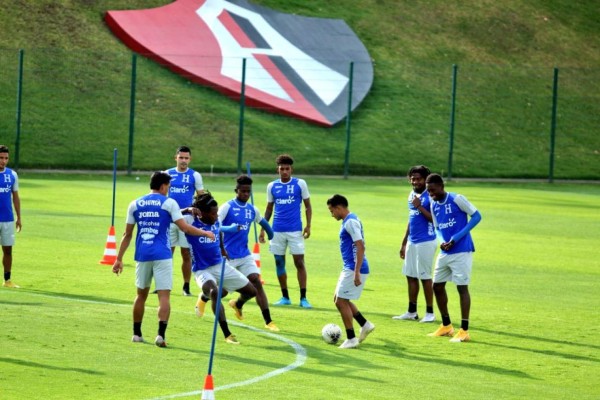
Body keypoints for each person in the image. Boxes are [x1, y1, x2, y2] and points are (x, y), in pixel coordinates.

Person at [112, 171, 215, 348]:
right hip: (162, 255)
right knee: (164, 296)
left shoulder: (135, 204)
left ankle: (136, 334)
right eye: (168, 186)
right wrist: (205, 232)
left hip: (142, 255)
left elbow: (127, 234)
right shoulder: (169, 203)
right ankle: (160, 335)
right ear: (162, 186)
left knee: (140, 296)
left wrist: (118, 259)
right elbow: (185, 228)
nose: (169, 189)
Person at [186, 192, 257, 344]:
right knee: (215, 292)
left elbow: (219, 234)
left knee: (251, 291)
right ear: (203, 213)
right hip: (201, 269)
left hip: (219, 265)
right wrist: (187, 209)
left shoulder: (215, 222)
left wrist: (223, 250)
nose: (216, 216)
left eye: (217, 212)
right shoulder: (191, 221)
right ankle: (227, 334)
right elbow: (171, 215)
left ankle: (231, 303)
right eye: (213, 213)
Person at [210, 175, 279, 331]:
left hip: (245, 254)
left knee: (256, 282)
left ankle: (268, 321)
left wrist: (270, 234)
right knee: (223, 292)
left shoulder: (252, 210)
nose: (246, 194)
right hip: (227, 255)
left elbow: (263, 222)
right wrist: (229, 229)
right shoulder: (227, 206)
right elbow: (215, 226)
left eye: (248, 192)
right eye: (243, 191)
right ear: (237, 190)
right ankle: (203, 298)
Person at [425, 173, 482, 343]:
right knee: (437, 286)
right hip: (445, 252)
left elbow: (477, 216)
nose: (431, 194)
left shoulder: (457, 199)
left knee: (462, 288)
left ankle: (464, 330)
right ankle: (446, 326)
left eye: (433, 190)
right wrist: (443, 241)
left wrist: (456, 238)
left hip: (462, 251)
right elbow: (436, 227)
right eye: (429, 192)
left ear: (442, 186)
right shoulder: (434, 205)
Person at [259, 154, 312, 308]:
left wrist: (308, 225)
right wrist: (263, 229)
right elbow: (269, 209)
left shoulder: (300, 184)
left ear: (291, 169)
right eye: (282, 169)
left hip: (295, 231)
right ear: (278, 169)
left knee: (299, 262)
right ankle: (285, 297)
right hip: (277, 231)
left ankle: (303, 298)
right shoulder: (272, 186)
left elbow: (308, 206)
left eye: (287, 169)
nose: (284, 172)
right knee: (279, 263)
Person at [326, 194, 375, 349]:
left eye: (331, 210)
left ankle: (351, 338)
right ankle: (365, 324)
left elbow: (360, 246)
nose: (331, 214)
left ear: (338, 207)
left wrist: (356, 272)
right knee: (340, 299)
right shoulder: (350, 220)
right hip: (350, 266)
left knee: (340, 301)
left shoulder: (351, 222)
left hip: (353, 267)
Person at [393, 165, 437, 323]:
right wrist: (404, 242)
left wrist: (419, 206)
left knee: (425, 277)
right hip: (412, 241)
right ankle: (412, 311)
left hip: (426, 241)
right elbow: (411, 219)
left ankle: (430, 313)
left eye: (418, 179)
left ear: (426, 180)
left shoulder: (430, 196)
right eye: (412, 178)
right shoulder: (411, 194)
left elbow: (435, 220)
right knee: (410, 276)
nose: (415, 181)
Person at [166, 146, 205, 296]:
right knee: (167, 252)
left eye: (186, 158)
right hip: (169, 219)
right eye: (181, 157)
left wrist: (200, 210)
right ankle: (165, 284)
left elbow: (200, 196)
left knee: (186, 253)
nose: (183, 160)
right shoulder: (167, 174)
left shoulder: (195, 175)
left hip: (187, 219)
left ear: (190, 159)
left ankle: (186, 286)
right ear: (175, 157)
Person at [0, 145, 21, 288]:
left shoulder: (12, 175)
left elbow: (16, 197)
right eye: (1, 158)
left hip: (7, 219)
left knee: (8, 250)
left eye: (6, 158)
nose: (3, 161)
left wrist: (19, 217)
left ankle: (7, 280)